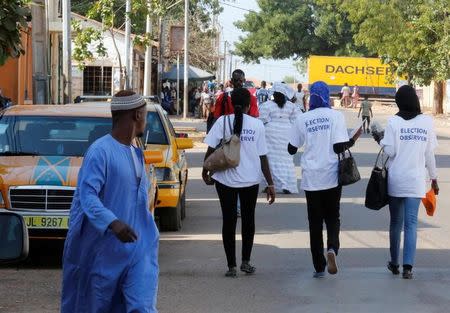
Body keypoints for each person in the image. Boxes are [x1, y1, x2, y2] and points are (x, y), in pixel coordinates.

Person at [61, 90, 159, 312]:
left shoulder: (136, 152)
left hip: (139, 247)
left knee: (142, 306)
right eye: (145, 114)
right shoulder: (100, 151)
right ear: (136, 115)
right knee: (96, 306)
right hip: (103, 252)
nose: (146, 120)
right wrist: (112, 222)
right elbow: (87, 195)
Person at [288, 81, 361, 278]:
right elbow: (339, 148)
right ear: (327, 95)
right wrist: (353, 139)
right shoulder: (335, 116)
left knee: (314, 222)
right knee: (332, 216)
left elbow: (291, 149)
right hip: (331, 176)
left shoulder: (303, 118)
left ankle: (319, 266)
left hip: (311, 177)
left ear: (312, 96)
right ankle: (332, 249)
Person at [202, 87, 276, 277]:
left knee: (228, 221)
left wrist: (205, 170)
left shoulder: (222, 121)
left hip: (224, 180)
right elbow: (262, 157)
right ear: (250, 105)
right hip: (250, 180)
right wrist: (270, 183)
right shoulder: (257, 125)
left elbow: (211, 149)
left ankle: (231, 266)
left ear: (230, 102)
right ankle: (246, 262)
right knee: (248, 221)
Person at [372, 85, 439, 279]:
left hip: (397, 180)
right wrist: (434, 179)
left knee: (395, 223)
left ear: (399, 102)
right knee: (411, 224)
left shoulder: (394, 122)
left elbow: (390, 152)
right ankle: (408, 267)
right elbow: (429, 155)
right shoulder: (427, 122)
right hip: (416, 181)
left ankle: (394, 263)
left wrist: (381, 140)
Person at [259, 82, 301, 194]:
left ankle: (270, 185)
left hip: (270, 136)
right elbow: (297, 120)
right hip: (286, 135)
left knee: (271, 161)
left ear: (274, 94)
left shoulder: (267, 105)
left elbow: (262, 120)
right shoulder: (291, 106)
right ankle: (287, 185)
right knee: (286, 161)